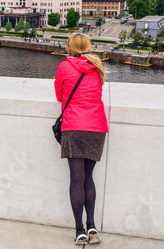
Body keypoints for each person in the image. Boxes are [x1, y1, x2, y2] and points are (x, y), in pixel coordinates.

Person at [54, 33, 108, 245]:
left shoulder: (64, 67)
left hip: (74, 126)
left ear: (69, 49)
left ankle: (80, 231)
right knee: (88, 178)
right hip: (96, 127)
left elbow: (60, 96)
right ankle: (92, 226)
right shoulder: (97, 66)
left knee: (76, 179)